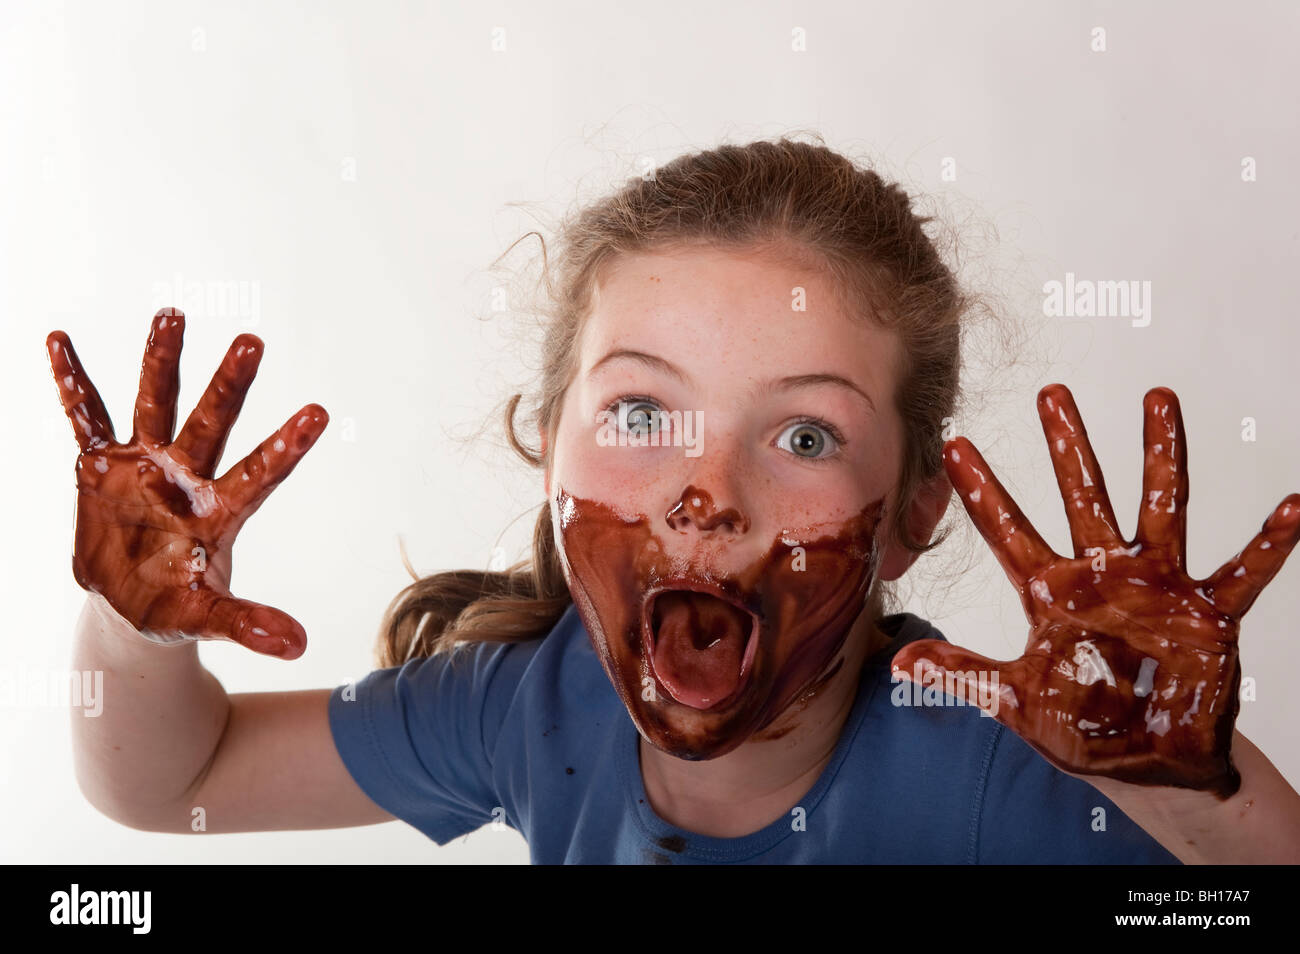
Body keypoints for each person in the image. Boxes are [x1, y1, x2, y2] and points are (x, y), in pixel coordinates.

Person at [48, 137, 1300, 864]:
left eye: (803, 432)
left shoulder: (985, 767)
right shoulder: (528, 712)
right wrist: (130, 621)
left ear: (917, 512)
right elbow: (174, 781)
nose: (707, 489)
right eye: (642, 416)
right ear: (549, 455)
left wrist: (1175, 784)